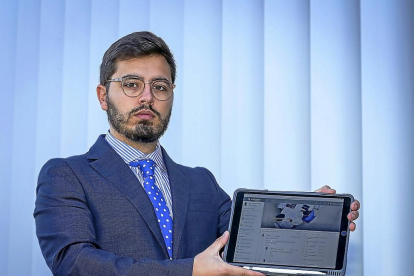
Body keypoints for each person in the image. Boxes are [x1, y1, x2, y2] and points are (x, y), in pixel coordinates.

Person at [34, 31, 360, 276]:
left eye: (160, 86)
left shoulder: (201, 182)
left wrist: (307, 219)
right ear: (103, 96)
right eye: (132, 84)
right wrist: (188, 271)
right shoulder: (66, 175)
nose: (147, 97)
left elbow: (248, 243)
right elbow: (74, 263)